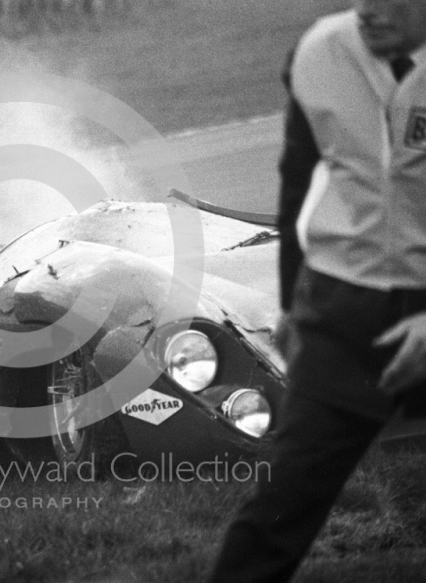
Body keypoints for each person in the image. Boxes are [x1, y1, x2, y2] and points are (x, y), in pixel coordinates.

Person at [208, 1, 426, 582]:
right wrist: (289, 305)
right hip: (343, 310)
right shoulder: (320, 51)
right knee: (279, 506)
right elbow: (296, 180)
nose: (369, 12)